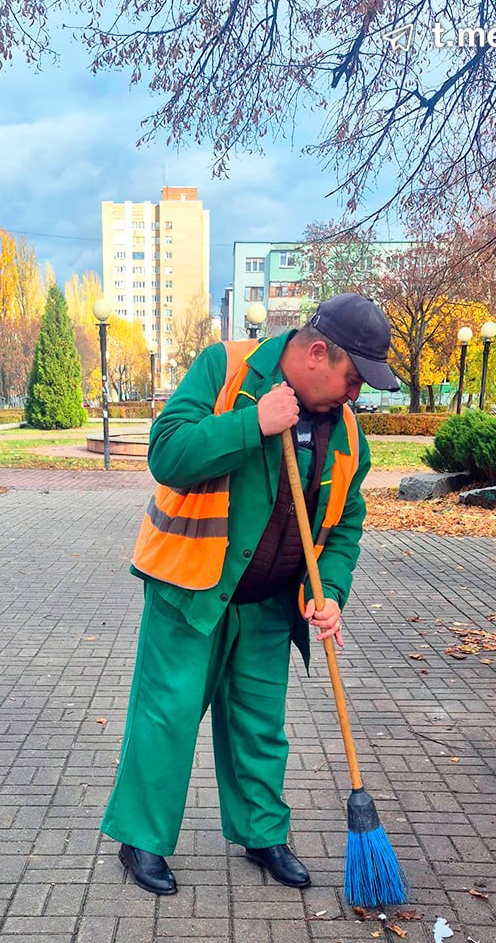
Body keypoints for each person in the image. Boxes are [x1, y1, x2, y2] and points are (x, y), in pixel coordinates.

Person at [101, 294, 400, 895]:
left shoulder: (346, 433)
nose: (355, 395)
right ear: (317, 354)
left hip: (269, 604)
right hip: (192, 590)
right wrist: (253, 423)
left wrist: (330, 590)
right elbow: (167, 452)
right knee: (167, 717)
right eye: (352, 378)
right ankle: (142, 840)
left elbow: (345, 523)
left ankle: (262, 833)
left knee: (261, 726)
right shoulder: (227, 369)